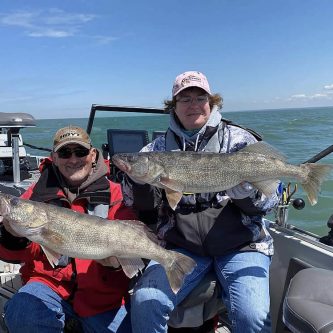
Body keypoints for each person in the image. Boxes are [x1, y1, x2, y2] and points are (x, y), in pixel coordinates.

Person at [122, 71, 280, 333]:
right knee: (145, 300)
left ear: (211, 102)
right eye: (184, 99)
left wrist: (248, 196)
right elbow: (135, 203)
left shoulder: (241, 141)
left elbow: (270, 200)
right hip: (181, 246)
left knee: (252, 316)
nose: (193, 105)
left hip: (242, 244)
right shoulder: (153, 151)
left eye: (199, 98)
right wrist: (139, 182)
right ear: (173, 106)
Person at [0, 125, 136, 333]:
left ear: (92, 155)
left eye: (80, 152)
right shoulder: (36, 196)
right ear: (53, 157)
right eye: (64, 153)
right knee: (22, 312)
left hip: (104, 297)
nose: (73, 160)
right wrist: (11, 235)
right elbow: (12, 255)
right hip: (48, 286)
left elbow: (132, 248)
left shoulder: (117, 194)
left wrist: (115, 263)